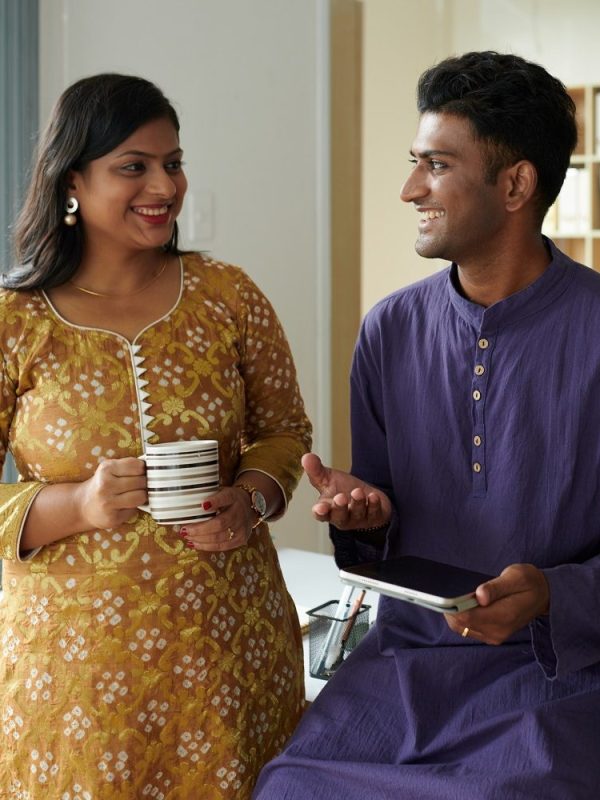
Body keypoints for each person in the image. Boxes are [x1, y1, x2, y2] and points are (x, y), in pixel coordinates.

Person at [253, 51, 600, 799]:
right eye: (415, 162)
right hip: (404, 667)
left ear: (515, 184)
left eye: (436, 165)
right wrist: (366, 518)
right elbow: (383, 538)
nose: (410, 189)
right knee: (289, 787)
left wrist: (552, 595)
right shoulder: (388, 331)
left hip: (560, 678)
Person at [0, 73, 312, 799]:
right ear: (72, 179)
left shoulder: (227, 294)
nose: (163, 185)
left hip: (230, 658)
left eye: (172, 162)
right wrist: (76, 506)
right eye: (133, 167)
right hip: (73, 680)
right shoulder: (17, 321)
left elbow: (284, 431)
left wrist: (252, 499)